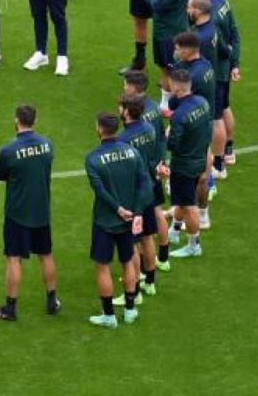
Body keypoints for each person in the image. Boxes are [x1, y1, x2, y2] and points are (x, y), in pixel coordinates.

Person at [0, 104, 60, 322]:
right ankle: (52, 300)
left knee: (14, 258)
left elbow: (0, 174)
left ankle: (10, 308)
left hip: (17, 212)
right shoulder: (47, 145)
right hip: (41, 210)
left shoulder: (8, 151)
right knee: (46, 254)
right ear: (34, 121)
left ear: (16, 120)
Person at [84, 112, 151, 329]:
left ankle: (109, 315)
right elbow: (143, 183)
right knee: (127, 261)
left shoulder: (93, 158)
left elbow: (99, 190)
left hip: (105, 220)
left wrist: (118, 209)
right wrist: (137, 211)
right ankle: (130, 309)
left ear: (100, 129)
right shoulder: (132, 152)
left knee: (103, 266)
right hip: (130, 219)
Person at [117, 94, 166, 304]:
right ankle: (151, 282)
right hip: (149, 188)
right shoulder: (148, 128)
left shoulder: (122, 140)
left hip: (133, 195)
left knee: (133, 243)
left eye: (120, 108)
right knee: (147, 236)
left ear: (127, 112)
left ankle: (135, 291)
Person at [189, 0, 242, 164]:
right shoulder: (222, 0)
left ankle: (219, 163)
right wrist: (235, 63)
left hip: (215, 72)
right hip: (225, 67)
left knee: (215, 117)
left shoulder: (208, 15)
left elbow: (218, 44)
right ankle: (229, 149)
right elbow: (234, 33)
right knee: (225, 107)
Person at [121, 72, 171, 270]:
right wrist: (161, 162)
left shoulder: (137, 114)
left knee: (145, 227)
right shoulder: (154, 108)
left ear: (134, 88)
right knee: (157, 212)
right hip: (155, 166)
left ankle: (144, 269)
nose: (124, 86)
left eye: (126, 84)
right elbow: (160, 138)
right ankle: (164, 258)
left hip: (144, 175)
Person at [165, 69, 211, 259]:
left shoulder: (179, 115)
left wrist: (167, 134)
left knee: (188, 205)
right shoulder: (203, 103)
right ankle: (174, 232)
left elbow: (172, 144)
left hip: (183, 164)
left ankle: (194, 245)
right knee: (181, 201)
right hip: (199, 158)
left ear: (176, 87)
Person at [187, 0, 231, 181]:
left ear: (198, 10)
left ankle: (215, 168)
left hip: (203, 84)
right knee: (218, 117)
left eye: (189, 7)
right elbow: (224, 50)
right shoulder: (212, 27)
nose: (187, 11)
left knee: (212, 122)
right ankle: (219, 162)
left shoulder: (198, 36)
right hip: (214, 77)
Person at [145, 0, 190, 109]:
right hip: (159, 28)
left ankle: (178, 105)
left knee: (175, 70)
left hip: (173, 31)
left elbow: (160, 5)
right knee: (163, 66)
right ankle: (165, 104)